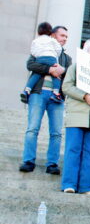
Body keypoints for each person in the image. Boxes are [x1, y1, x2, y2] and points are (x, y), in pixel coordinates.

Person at [19, 25, 71, 174]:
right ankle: (28, 161)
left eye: (66, 37)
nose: (65, 39)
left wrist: (64, 70)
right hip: (38, 93)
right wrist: (49, 70)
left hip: (57, 97)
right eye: (62, 36)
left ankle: (52, 164)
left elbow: (69, 76)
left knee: (56, 132)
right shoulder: (42, 47)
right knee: (32, 128)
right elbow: (30, 64)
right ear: (53, 36)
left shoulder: (66, 58)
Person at [61, 39, 90, 195]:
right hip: (76, 115)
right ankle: (69, 184)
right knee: (73, 150)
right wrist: (84, 95)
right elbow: (66, 86)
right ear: (85, 49)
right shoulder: (75, 67)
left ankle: (87, 186)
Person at [21, 22, 63, 104]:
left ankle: (27, 90)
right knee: (56, 74)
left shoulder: (35, 41)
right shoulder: (52, 40)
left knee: (36, 73)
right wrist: (55, 54)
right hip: (51, 58)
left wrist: (38, 55)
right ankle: (56, 93)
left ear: (38, 32)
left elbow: (33, 51)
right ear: (50, 32)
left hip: (39, 58)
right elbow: (58, 49)